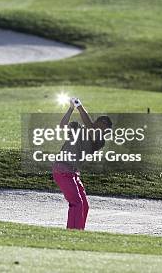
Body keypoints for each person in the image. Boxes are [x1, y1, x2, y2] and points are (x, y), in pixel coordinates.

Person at [52, 97, 112, 230]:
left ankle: (77, 231)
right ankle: (74, 233)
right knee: (77, 203)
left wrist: (79, 106)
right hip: (62, 169)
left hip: (72, 173)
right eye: (105, 127)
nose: (106, 131)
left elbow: (90, 128)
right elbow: (62, 126)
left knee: (84, 204)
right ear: (99, 123)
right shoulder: (77, 128)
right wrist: (70, 108)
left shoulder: (99, 140)